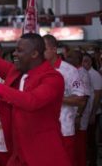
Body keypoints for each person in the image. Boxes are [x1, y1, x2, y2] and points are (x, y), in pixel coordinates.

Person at [0, 10, 70, 166]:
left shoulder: (53, 78)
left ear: (35, 54)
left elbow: (32, 101)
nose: (15, 54)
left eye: (20, 50)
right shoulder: (16, 72)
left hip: (44, 154)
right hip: (18, 152)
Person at [43, 35, 88, 165]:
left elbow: (81, 99)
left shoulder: (69, 70)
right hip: (42, 131)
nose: (41, 52)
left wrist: (56, 98)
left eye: (44, 49)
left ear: (54, 49)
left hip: (64, 130)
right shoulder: (37, 70)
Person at [65, 50, 91, 166]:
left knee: (79, 149)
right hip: (74, 116)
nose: (67, 59)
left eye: (70, 57)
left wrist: (78, 116)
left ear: (77, 59)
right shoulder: (74, 71)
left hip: (79, 117)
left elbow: (83, 98)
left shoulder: (81, 73)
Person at [82, 53, 102, 166]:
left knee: (91, 140)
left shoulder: (94, 75)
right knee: (87, 139)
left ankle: (93, 162)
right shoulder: (84, 73)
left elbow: (98, 95)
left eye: (86, 61)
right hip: (87, 112)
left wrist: (93, 113)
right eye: (83, 61)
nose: (84, 63)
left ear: (90, 62)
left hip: (93, 112)